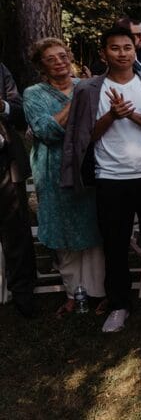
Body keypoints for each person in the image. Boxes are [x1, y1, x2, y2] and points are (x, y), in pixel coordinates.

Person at [62, 26, 141, 333]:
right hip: (111, 177)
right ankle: (119, 304)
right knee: (114, 244)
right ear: (104, 53)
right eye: (115, 48)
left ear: (135, 51)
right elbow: (84, 137)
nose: (122, 53)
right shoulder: (88, 90)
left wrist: (131, 115)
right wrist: (112, 115)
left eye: (127, 48)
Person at [23, 39, 104, 317]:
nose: (59, 62)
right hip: (52, 171)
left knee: (93, 227)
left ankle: (97, 291)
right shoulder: (34, 94)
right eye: (51, 59)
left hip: (87, 166)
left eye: (62, 56)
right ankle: (73, 293)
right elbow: (46, 130)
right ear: (41, 66)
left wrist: (82, 92)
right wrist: (78, 100)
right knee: (63, 230)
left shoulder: (86, 85)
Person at [1, 62, 37, 317]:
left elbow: (19, 111)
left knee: (15, 229)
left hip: (4, 162)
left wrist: (2, 106)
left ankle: (23, 292)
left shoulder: (1, 70)